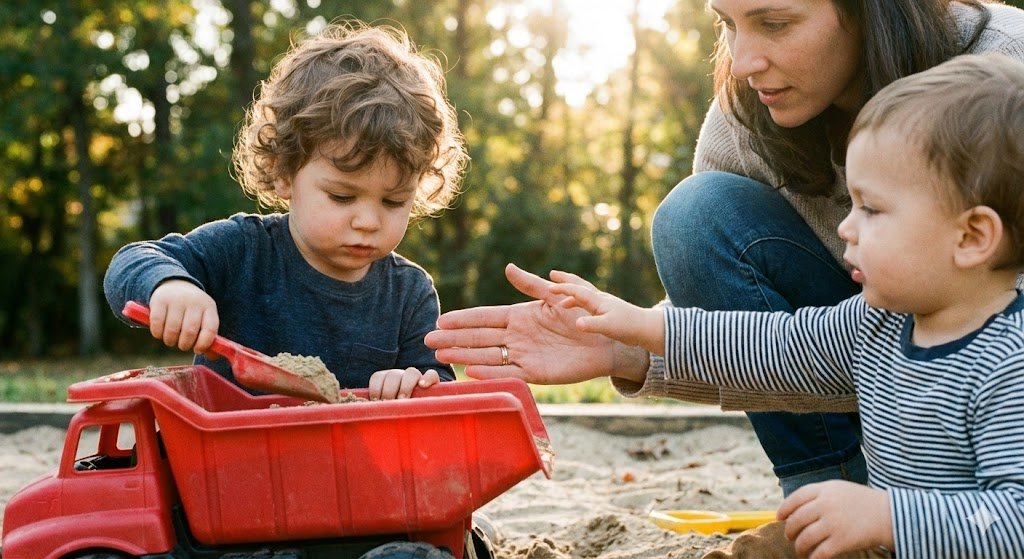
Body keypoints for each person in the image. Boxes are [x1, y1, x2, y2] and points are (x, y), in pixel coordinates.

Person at [426, 0, 1024, 500]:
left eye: (776, 22)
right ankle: (827, 501)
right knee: (695, 212)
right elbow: (784, 347)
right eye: (727, 23)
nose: (741, 64)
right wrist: (625, 338)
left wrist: (895, 522)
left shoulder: (1005, 79)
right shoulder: (869, 330)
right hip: (903, 450)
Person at [104, 21, 468, 402]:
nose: (368, 222)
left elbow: (437, 384)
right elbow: (132, 261)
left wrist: (413, 382)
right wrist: (169, 285)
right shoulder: (242, 251)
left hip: (350, 458)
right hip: (234, 451)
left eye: (394, 201)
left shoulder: (409, 293)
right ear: (284, 173)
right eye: (342, 197)